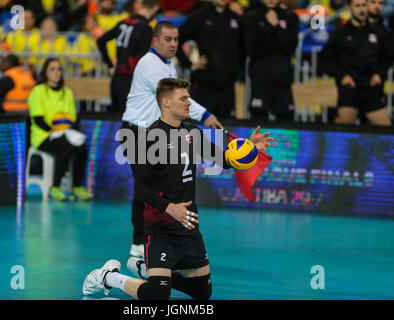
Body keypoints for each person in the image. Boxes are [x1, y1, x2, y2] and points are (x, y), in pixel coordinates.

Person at [82, 78, 273, 300]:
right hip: (161, 229)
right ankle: (109, 277)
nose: (189, 103)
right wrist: (169, 207)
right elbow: (141, 189)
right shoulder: (148, 139)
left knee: (203, 293)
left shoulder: (193, 133)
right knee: (157, 298)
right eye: (183, 98)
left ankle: (148, 271)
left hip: (189, 227)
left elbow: (225, 160)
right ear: (166, 102)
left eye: (188, 98)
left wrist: (250, 148)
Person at [120, 21, 223, 259]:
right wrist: (205, 115)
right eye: (168, 39)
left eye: (176, 39)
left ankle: (157, 241)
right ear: (154, 41)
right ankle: (139, 244)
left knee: (159, 187)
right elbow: (176, 98)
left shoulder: (169, 64)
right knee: (145, 187)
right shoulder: (149, 64)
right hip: (137, 133)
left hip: (155, 133)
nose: (174, 44)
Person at [27, 58, 92, 201]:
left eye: (59, 69)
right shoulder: (38, 91)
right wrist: (53, 131)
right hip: (43, 135)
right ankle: (55, 188)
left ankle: (76, 187)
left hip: (64, 133)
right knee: (66, 146)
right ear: (45, 72)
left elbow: (71, 118)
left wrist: (65, 130)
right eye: (52, 69)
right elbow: (38, 120)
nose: (56, 72)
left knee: (81, 146)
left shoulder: (67, 92)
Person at [320, 0, 393, 126]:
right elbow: (324, 60)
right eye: (357, 6)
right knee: (344, 132)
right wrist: (342, 76)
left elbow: (388, 57)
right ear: (350, 8)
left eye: (364, 5)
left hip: (371, 89)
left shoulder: (378, 33)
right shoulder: (340, 34)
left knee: (386, 131)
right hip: (350, 89)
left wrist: (379, 74)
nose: (361, 9)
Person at [176, 0, 246, 119]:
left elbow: (243, 48)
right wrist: (190, 64)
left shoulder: (236, 19)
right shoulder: (199, 17)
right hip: (205, 84)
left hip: (228, 87)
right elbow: (177, 40)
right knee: (202, 129)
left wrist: (237, 70)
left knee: (224, 129)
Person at [97, 0, 160, 113]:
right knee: (132, 125)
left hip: (116, 80)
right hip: (132, 82)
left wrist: (110, 65)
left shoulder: (123, 22)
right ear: (155, 8)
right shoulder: (145, 28)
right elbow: (143, 60)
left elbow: (101, 41)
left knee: (117, 122)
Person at [244, 0, 299, 122]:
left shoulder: (290, 16)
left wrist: (276, 26)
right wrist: (276, 42)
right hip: (260, 80)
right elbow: (251, 50)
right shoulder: (252, 17)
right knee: (258, 124)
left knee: (287, 126)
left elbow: (290, 47)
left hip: (283, 81)